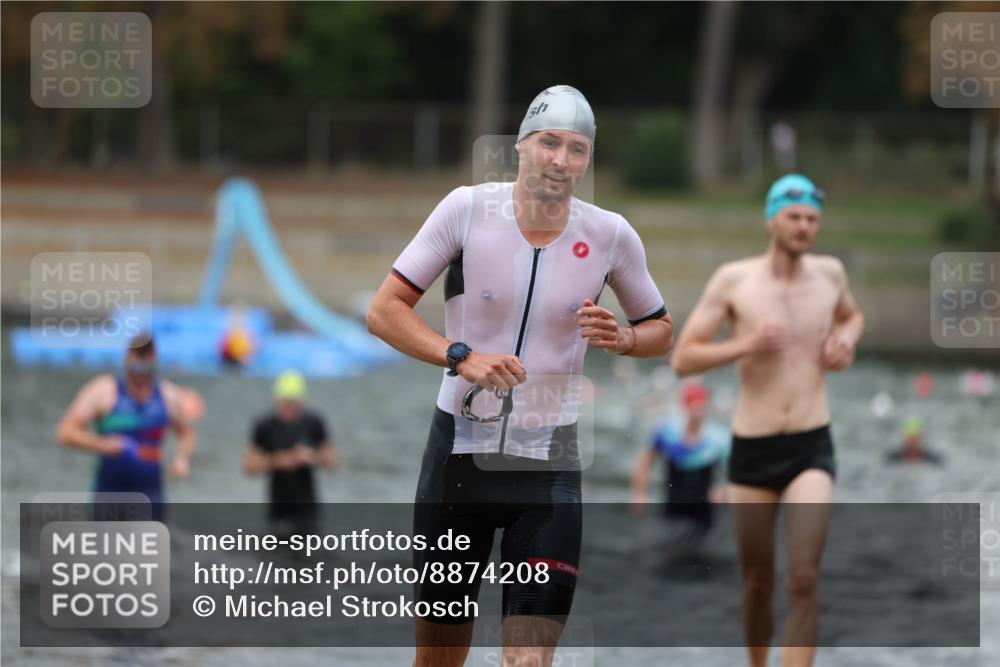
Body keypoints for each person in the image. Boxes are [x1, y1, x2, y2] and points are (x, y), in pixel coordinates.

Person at [367, 84, 673, 667]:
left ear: (588, 160)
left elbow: (661, 329)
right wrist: (461, 356)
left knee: (528, 662)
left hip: (549, 471)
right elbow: (384, 311)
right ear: (521, 147)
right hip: (457, 463)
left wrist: (627, 338)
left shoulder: (609, 234)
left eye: (577, 149)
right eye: (549, 143)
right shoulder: (465, 210)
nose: (560, 160)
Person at [671, 174, 864, 667]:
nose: (804, 227)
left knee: (804, 578)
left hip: (811, 445)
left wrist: (846, 339)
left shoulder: (830, 275)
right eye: (795, 217)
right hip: (752, 448)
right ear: (771, 219)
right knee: (757, 582)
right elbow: (684, 359)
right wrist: (747, 343)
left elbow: (851, 315)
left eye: (813, 219)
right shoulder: (735, 281)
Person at [56, 334, 197, 520]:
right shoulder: (103, 391)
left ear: (154, 361)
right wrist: (101, 445)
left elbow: (186, 433)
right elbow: (65, 432)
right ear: (126, 358)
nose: (140, 373)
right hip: (110, 493)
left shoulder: (168, 395)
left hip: (151, 495)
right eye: (136, 366)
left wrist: (182, 458)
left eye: (146, 367)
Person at [631, 379, 730, 539]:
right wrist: (640, 494)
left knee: (703, 544)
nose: (697, 414)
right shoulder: (668, 434)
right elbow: (645, 461)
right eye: (694, 408)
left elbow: (733, 472)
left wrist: (723, 490)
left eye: (701, 408)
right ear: (684, 407)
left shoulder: (717, 439)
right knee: (670, 541)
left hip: (704, 508)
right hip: (673, 503)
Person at [243, 370, 337, 536]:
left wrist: (312, 457)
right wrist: (277, 461)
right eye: (284, 403)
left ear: (300, 401)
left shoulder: (313, 422)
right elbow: (249, 467)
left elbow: (331, 462)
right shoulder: (265, 425)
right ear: (276, 400)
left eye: (293, 404)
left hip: (308, 507)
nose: (289, 409)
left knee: (309, 554)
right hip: (278, 506)